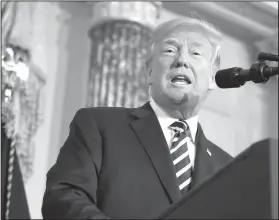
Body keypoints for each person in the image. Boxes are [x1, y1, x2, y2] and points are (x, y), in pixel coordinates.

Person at [42, 15, 233, 219]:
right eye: (170, 50)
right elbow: (63, 198)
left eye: (195, 53)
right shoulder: (99, 126)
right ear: (149, 71)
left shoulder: (229, 169)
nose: (182, 60)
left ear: (213, 78)